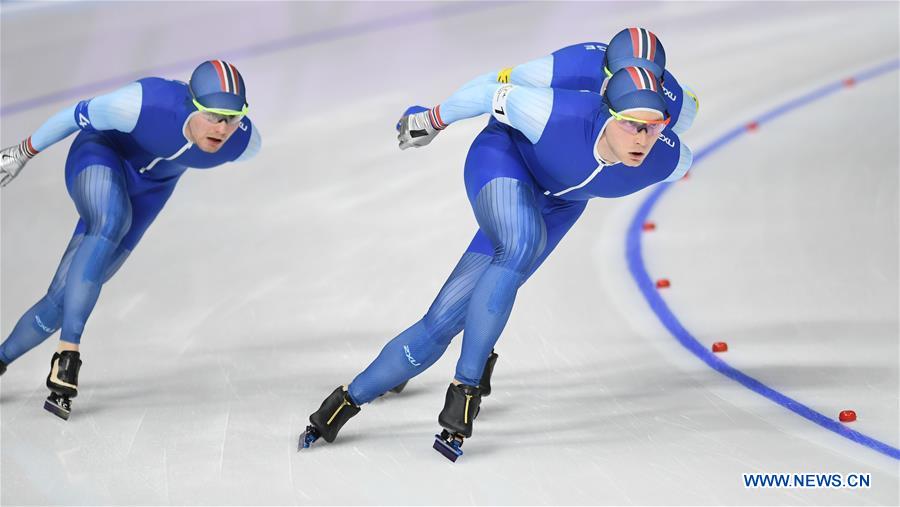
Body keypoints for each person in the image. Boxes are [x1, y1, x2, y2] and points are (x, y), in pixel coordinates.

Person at [300, 42, 693, 459]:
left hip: (560, 203)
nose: (645, 139)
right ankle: (466, 388)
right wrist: (430, 120)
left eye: (655, 127)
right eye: (633, 125)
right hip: (505, 162)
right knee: (522, 242)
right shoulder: (552, 110)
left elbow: (686, 124)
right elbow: (490, 90)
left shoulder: (669, 156)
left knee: (443, 320)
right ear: (607, 104)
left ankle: (345, 401)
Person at [0, 60, 262, 420]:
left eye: (232, 118)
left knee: (64, 297)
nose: (222, 128)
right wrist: (22, 153)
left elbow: (249, 140)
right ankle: (68, 355)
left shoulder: (243, 141)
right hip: (102, 156)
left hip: (149, 195)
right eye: (213, 116)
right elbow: (72, 115)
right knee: (110, 219)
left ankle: (1, 358)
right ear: (191, 104)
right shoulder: (143, 103)